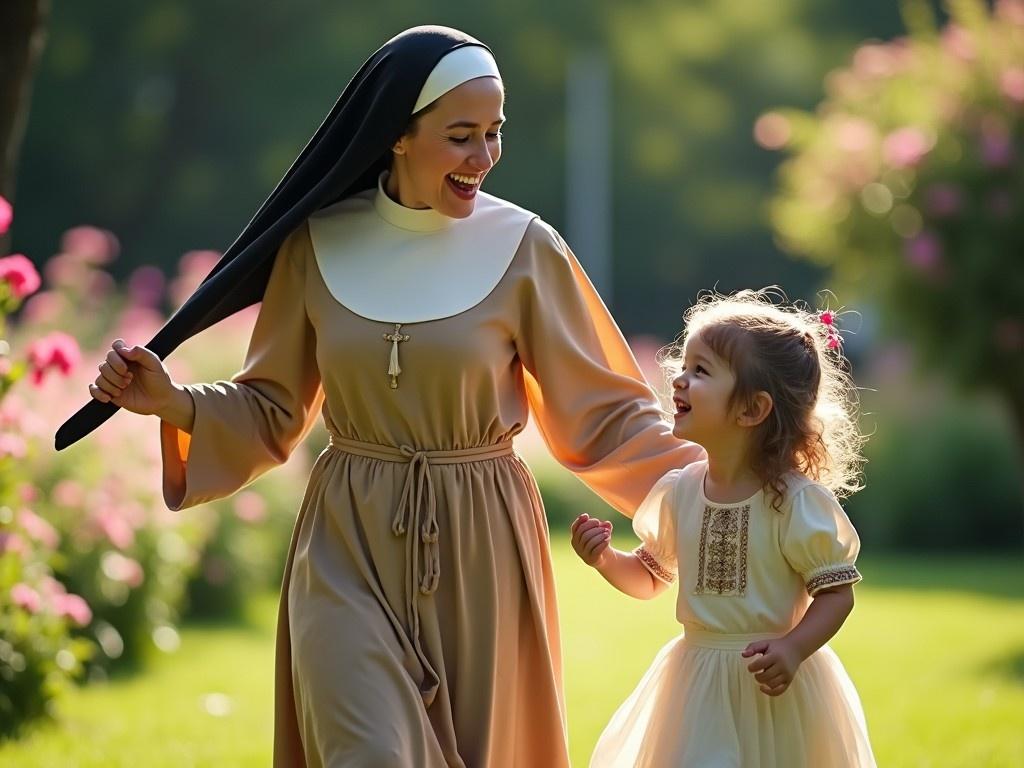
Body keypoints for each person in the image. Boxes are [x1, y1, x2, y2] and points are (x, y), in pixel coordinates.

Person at [81, 26, 703, 768]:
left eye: (495, 133)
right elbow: (273, 408)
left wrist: (719, 487)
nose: (486, 157)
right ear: (398, 136)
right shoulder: (314, 243)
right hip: (347, 540)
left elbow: (606, 418)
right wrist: (174, 403)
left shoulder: (527, 247)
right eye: (462, 135)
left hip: (482, 546)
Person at [571, 289, 875, 767]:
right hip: (695, 689)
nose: (679, 379)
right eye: (684, 365)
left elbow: (837, 594)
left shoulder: (793, 502)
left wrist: (794, 648)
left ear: (752, 410)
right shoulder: (681, 492)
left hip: (771, 689)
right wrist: (606, 560)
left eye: (701, 371)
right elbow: (652, 576)